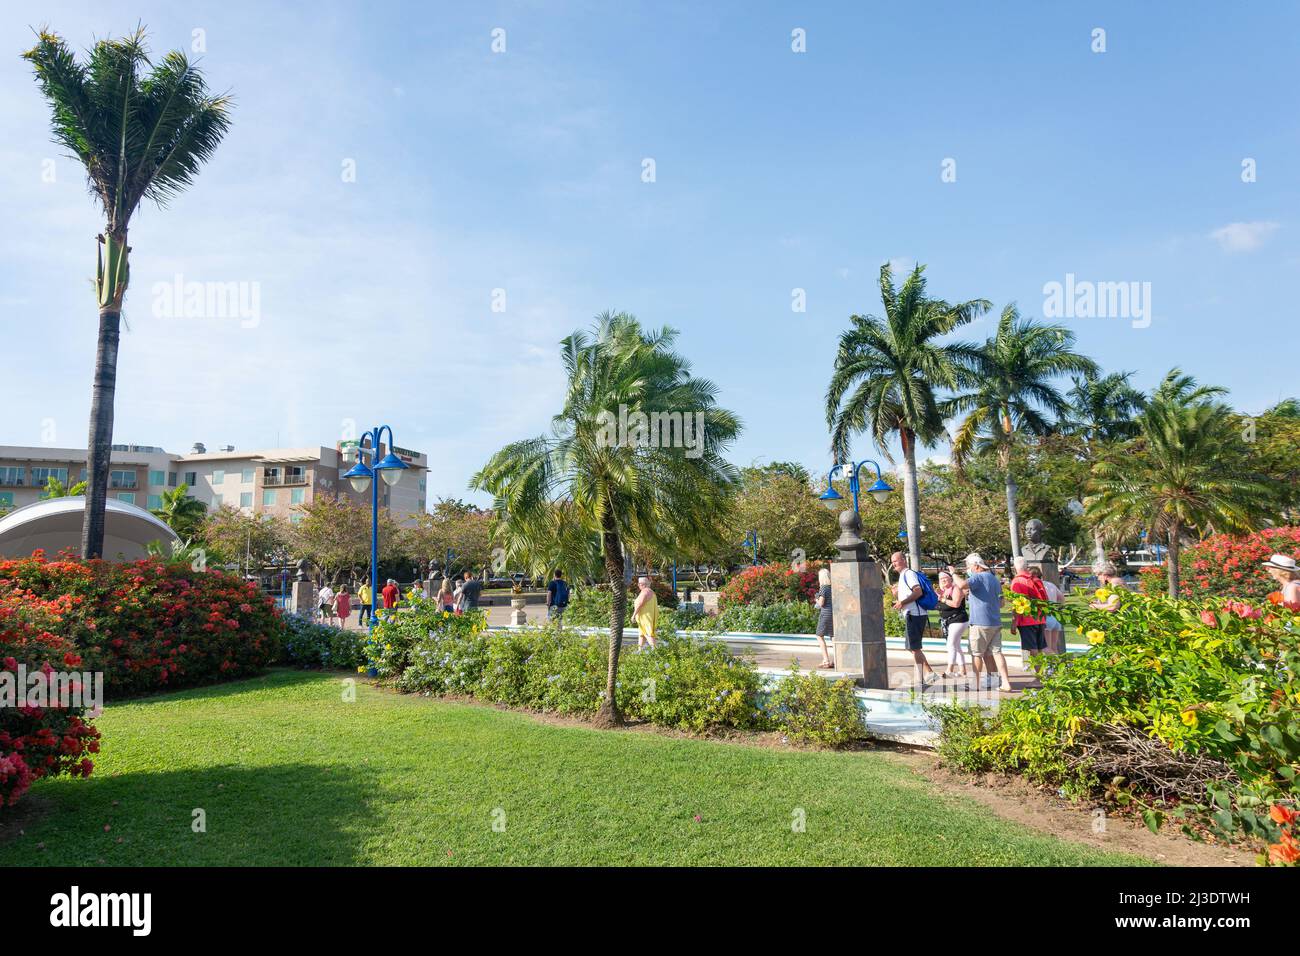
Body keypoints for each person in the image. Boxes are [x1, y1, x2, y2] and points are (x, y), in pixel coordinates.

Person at [964, 553, 1014, 692]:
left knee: (977, 654)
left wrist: (953, 573)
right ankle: (1004, 682)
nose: (967, 568)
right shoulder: (994, 579)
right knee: (995, 653)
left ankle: (976, 684)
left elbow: (962, 585)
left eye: (968, 566)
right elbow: (1001, 603)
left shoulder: (977, 577)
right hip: (995, 621)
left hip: (979, 622)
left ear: (976, 566)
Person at [890, 552, 936, 689]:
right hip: (913, 614)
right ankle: (929, 673)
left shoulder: (908, 574)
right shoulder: (904, 575)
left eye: (896, 561)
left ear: (904, 560)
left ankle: (920, 680)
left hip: (915, 614)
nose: (893, 564)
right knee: (912, 648)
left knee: (914, 648)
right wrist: (898, 595)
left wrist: (902, 602)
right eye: (892, 561)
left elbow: (918, 592)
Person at [1010, 556, 1049, 661]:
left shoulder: (1017, 581)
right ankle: (1045, 673)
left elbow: (1017, 605)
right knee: (1041, 648)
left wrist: (1014, 623)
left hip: (1027, 621)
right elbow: (1045, 599)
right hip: (1040, 618)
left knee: (1033, 649)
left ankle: (1039, 676)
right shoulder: (1035, 579)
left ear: (1014, 567)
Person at [936, 569, 969, 682]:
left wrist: (943, 599)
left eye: (945, 578)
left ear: (951, 578)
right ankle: (963, 670)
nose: (943, 580)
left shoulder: (956, 588)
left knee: (951, 644)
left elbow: (956, 604)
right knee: (956, 645)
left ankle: (949, 670)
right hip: (949, 621)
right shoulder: (943, 591)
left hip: (958, 620)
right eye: (941, 579)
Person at [1033, 567, 1066, 654]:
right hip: (1055, 616)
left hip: (1046, 617)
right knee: (1054, 648)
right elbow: (1061, 598)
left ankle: (1050, 666)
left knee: (1047, 648)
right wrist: (1059, 609)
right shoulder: (1050, 584)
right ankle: (1057, 667)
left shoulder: (1037, 586)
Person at [813, 567, 834, 669]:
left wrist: (816, 598)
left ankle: (826, 660)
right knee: (833, 636)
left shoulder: (824, 588)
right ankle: (839, 660)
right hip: (833, 614)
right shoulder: (832, 587)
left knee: (819, 636)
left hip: (825, 614)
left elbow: (821, 603)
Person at [633, 576, 659, 651]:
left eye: (639, 584)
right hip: (648, 616)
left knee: (648, 634)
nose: (638, 585)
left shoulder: (645, 592)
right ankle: (639, 650)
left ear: (642, 584)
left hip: (645, 617)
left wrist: (634, 615)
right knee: (642, 634)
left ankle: (655, 649)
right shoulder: (651, 592)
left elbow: (640, 604)